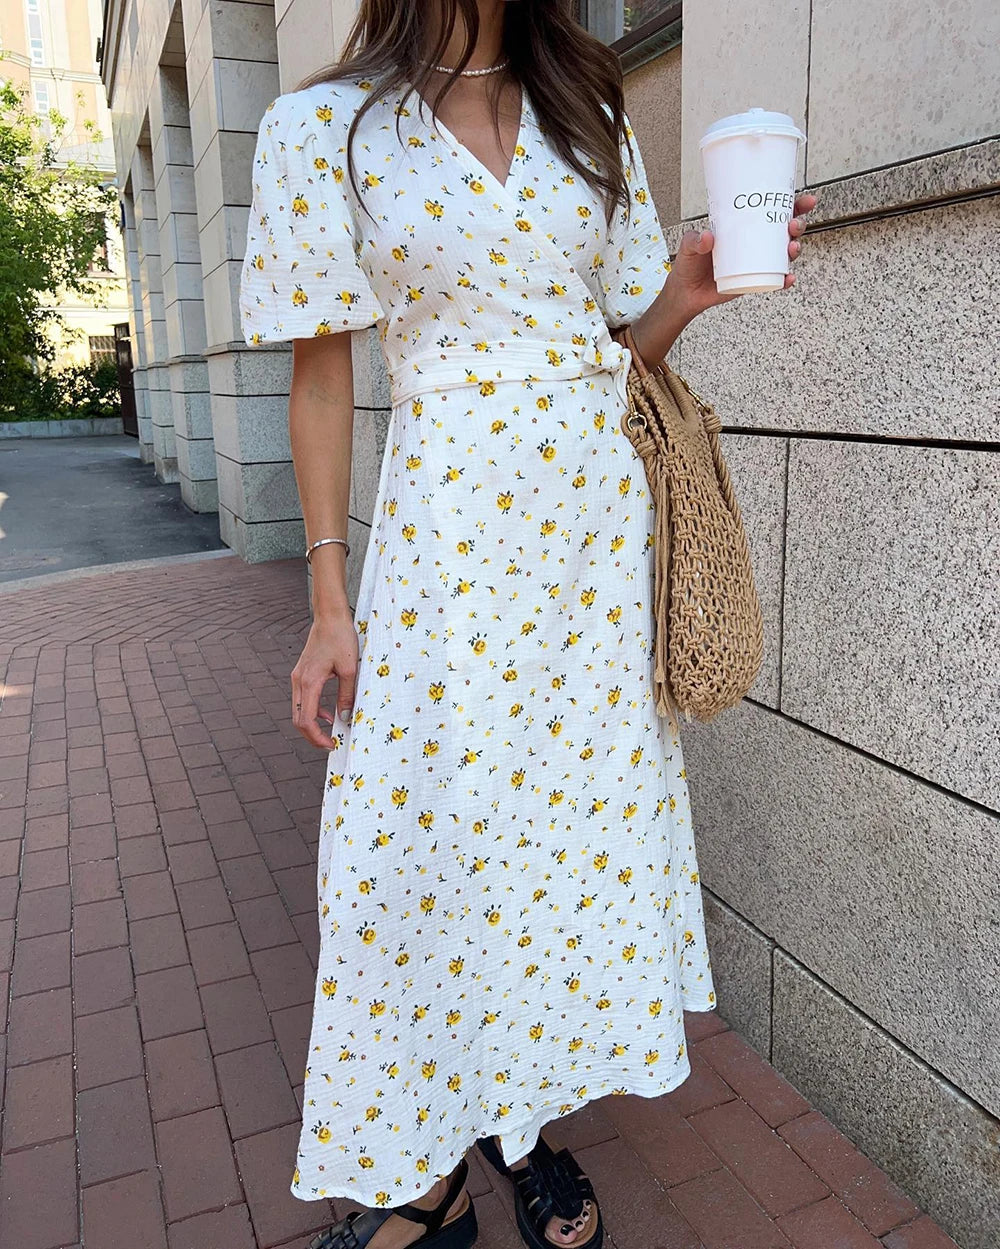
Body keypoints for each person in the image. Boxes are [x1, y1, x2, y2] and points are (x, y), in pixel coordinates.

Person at [238, 3, 816, 1248]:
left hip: (593, 546)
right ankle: (426, 1173)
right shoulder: (324, 127)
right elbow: (324, 370)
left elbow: (616, 345)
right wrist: (328, 604)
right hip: (445, 546)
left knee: (560, 848)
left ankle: (521, 1124)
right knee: (410, 856)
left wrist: (694, 290)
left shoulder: (588, 106)